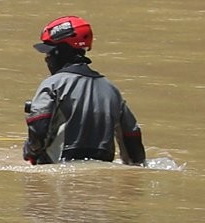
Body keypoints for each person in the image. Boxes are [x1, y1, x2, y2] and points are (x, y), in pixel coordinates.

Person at [23, 15, 145, 165]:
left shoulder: (53, 84)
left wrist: (29, 152)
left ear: (60, 52)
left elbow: (38, 129)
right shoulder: (111, 90)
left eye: (49, 52)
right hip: (102, 176)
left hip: (59, 172)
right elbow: (131, 137)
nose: (46, 58)